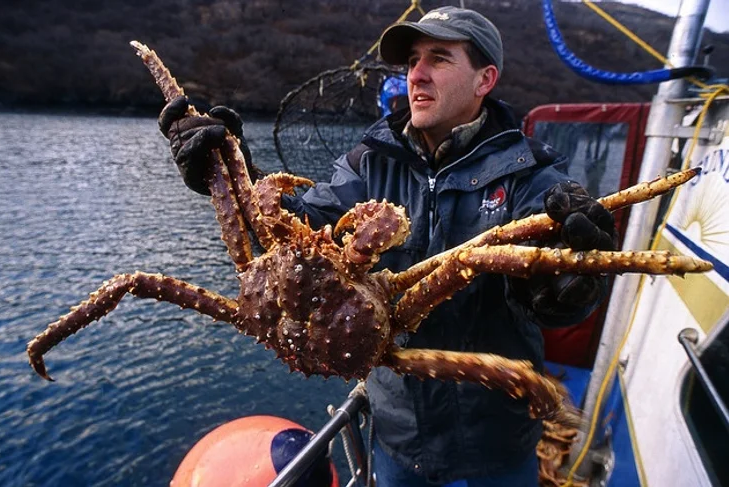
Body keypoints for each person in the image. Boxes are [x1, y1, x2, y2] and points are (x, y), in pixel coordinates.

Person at [158, 6, 616, 486]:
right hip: (400, 437)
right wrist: (238, 184)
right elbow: (297, 234)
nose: (416, 73)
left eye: (439, 58)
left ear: (485, 80)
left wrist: (574, 283)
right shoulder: (369, 162)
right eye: (412, 59)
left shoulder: (533, 176)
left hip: (497, 438)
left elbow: (559, 302)